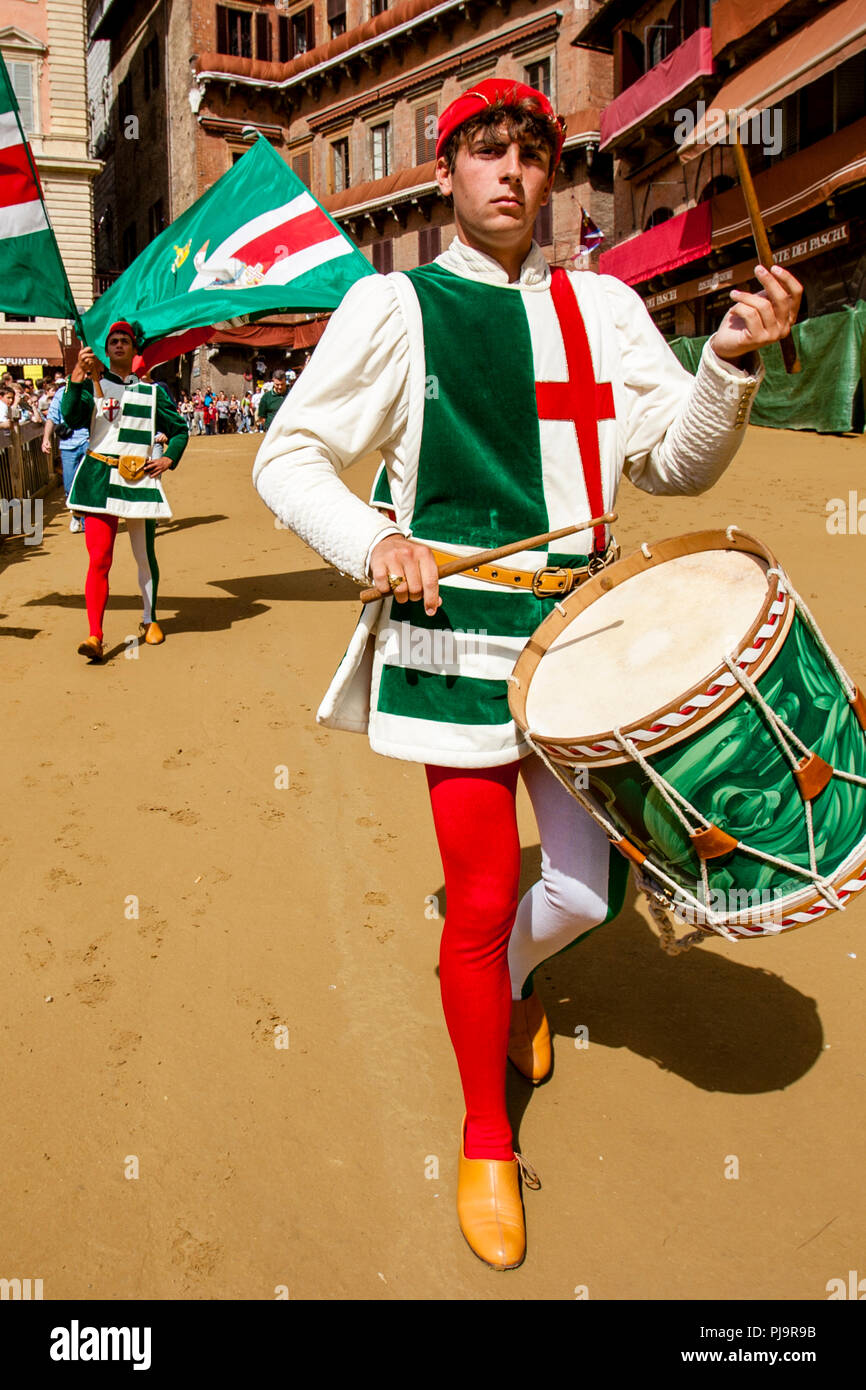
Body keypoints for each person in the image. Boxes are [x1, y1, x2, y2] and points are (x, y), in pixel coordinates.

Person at [253, 79, 802, 1270]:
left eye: (531, 155)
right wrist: (372, 540)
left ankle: (495, 984)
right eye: (484, 153)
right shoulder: (393, 306)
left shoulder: (601, 308)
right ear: (446, 173)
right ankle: (484, 1137)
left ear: (551, 177)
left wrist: (727, 361)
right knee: (488, 890)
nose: (509, 172)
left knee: (589, 895)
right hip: (452, 640)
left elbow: (674, 464)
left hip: (580, 645)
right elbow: (290, 457)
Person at [61, 320, 189, 660]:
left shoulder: (153, 392)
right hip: (100, 480)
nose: (119, 345)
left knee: (144, 556)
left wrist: (169, 459)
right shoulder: (90, 386)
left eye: (125, 341)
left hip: (138, 481)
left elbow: (178, 429)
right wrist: (76, 376)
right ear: (105, 351)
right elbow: (70, 418)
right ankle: (95, 635)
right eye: (113, 341)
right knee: (100, 559)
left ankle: (149, 619)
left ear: (134, 350)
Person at [43, 382, 90, 532]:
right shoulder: (61, 393)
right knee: (70, 485)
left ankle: (86, 520)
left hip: (88, 442)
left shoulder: (91, 390)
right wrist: (46, 439)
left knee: (87, 482)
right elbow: (52, 417)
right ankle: (76, 516)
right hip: (68, 444)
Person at [255, 369, 289, 434]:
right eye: (277, 384)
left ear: (285, 381)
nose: (280, 387)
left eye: (282, 384)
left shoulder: (292, 394)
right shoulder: (266, 397)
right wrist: (269, 428)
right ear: (273, 381)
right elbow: (262, 416)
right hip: (272, 434)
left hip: (289, 433)